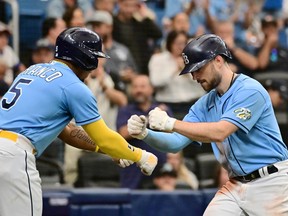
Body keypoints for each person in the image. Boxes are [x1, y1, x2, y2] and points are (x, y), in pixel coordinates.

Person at [0, 27, 158, 216]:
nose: (96, 65)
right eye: (94, 57)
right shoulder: (74, 87)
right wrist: (139, 155)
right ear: (84, 57)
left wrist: (110, 151)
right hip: (13, 156)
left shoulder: (32, 70)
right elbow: (104, 137)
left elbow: (67, 131)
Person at [127, 34, 288, 215]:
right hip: (236, 183)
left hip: (271, 181)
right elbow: (175, 143)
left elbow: (221, 131)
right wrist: (145, 134)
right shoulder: (204, 103)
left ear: (218, 60)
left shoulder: (250, 90)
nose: (194, 76)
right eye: (192, 71)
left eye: (198, 69)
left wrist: (170, 122)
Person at [116, 74, 169, 189]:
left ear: (151, 89)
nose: (138, 90)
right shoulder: (125, 110)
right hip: (133, 168)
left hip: (160, 168)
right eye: (135, 87)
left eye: (142, 86)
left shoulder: (162, 109)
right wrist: (149, 119)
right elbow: (123, 133)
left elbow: (172, 135)